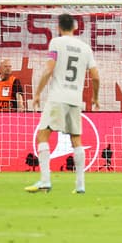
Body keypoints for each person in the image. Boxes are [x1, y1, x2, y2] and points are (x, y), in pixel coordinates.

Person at [26, 13, 100, 194]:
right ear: (75, 27)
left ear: (59, 28)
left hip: (57, 97)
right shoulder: (85, 48)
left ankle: (45, 181)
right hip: (75, 99)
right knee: (76, 139)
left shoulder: (56, 43)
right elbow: (96, 76)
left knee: (42, 136)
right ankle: (80, 185)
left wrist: (37, 93)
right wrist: (95, 97)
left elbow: (49, 70)